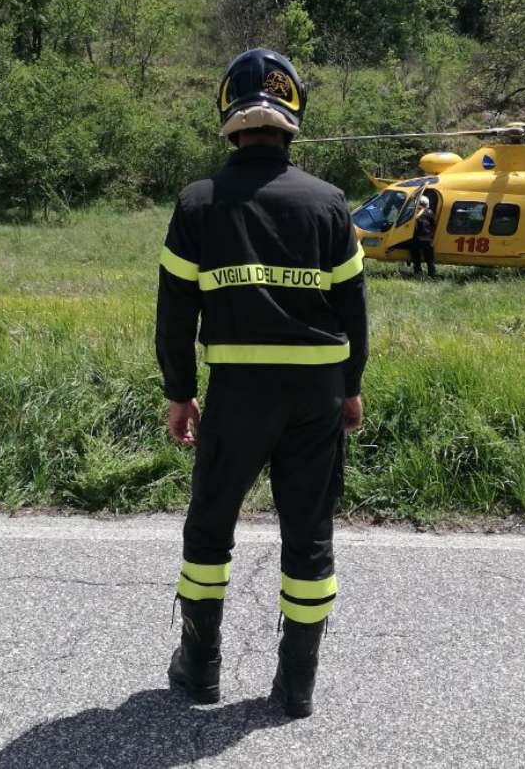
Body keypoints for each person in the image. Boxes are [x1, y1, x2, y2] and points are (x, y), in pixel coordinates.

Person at [154, 48, 369, 719]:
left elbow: (174, 314)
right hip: (316, 396)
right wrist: (352, 385)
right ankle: (296, 686)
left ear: (228, 115)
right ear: (293, 115)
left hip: (239, 396)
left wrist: (179, 390)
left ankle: (200, 671)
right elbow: (354, 311)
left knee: (209, 530)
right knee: (308, 535)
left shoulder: (198, 205)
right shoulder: (330, 204)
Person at [411, 195, 437, 277]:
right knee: (430, 259)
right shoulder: (429, 212)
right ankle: (432, 273)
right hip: (427, 239)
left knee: (416, 257)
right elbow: (434, 224)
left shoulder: (414, 212)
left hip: (416, 238)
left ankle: (417, 271)